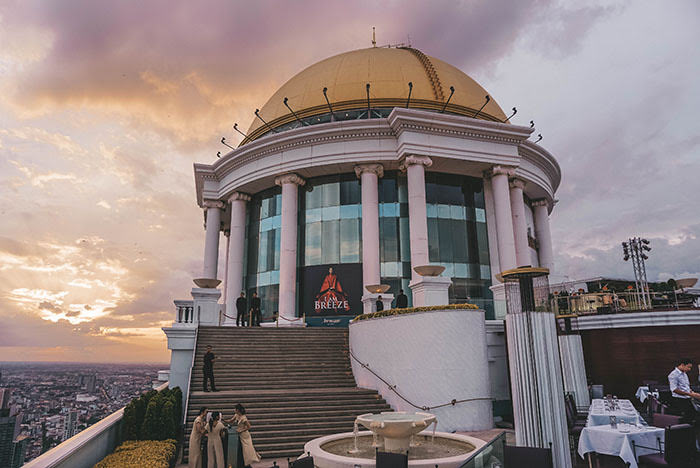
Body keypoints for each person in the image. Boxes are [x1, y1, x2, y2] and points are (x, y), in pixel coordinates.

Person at [224, 404, 260, 468]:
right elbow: (231, 421)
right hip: (239, 434)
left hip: (244, 435)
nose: (234, 410)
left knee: (246, 450)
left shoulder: (243, 418)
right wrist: (224, 420)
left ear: (238, 410)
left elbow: (249, 426)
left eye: (235, 409)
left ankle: (246, 463)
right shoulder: (236, 415)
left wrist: (241, 430)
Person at [668, 357, 700, 423]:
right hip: (679, 400)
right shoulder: (673, 375)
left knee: (694, 416)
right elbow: (674, 389)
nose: (689, 369)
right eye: (688, 367)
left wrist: (692, 392)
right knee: (688, 418)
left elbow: (685, 387)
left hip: (687, 399)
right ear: (682, 365)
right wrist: (690, 394)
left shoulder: (684, 374)